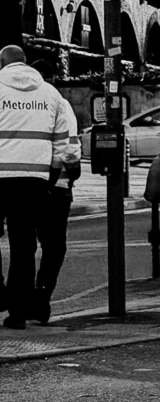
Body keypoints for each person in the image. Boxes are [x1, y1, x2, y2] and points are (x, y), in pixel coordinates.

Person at [0, 43, 74, 330]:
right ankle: (18, 313)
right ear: (26, 63)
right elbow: (62, 144)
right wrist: (51, 176)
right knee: (24, 245)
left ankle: (0, 291)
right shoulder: (49, 93)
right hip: (33, 179)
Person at [31, 81, 80, 325]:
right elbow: (69, 149)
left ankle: (20, 297)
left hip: (20, 183)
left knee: (23, 243)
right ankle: (42, 295)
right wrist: (73, 169)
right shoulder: (59, 103)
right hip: (56, 188)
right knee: (53, 246)